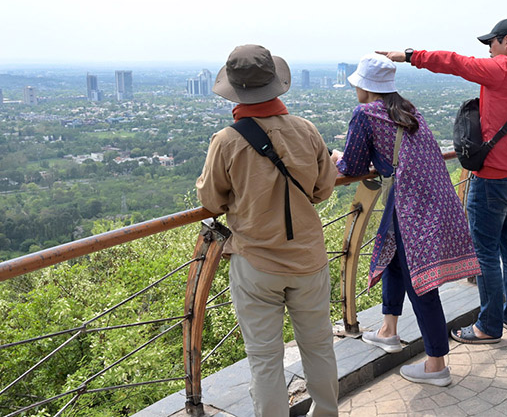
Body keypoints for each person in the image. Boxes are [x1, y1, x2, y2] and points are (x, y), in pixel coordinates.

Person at [380, 18, 507, 343]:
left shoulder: (502, 70)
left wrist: (410, 55)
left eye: (492, 43)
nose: (488, 49)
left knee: (485, 251)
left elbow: (455, 63)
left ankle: (489, 325)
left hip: (494, 179)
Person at [196, 45, 339, 417]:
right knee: (319, 346)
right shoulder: (306, 131)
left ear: (235, 91)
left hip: (256, 262)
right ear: (275, 84)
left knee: (264, 360)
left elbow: (211, 200)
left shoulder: (226, 141)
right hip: (308, 258)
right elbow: (324, 188)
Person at [333, 54, 481, 386]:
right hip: (434, 200)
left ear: (366, 87)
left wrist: (336, 158)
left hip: (410, 207)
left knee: (420, 284)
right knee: (395, 261)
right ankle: (388, 330)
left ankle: (436, 364)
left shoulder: (365, 113)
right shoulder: (408, 109)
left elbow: (352, 166)